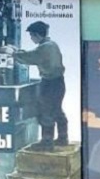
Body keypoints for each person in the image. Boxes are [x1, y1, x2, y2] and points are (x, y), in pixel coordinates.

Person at [13, 21, 69, 152]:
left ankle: (47, 143)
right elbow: (33, 54)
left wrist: (13, 54)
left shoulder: (44, 48)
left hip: (50, 83)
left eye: (31, 36)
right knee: (57, 110)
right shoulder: (51, 45)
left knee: (46, 112)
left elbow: (30, 57)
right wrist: (18, 52)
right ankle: (63, 138)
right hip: (58, 82)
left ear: (37, 35)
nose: (31, 39)